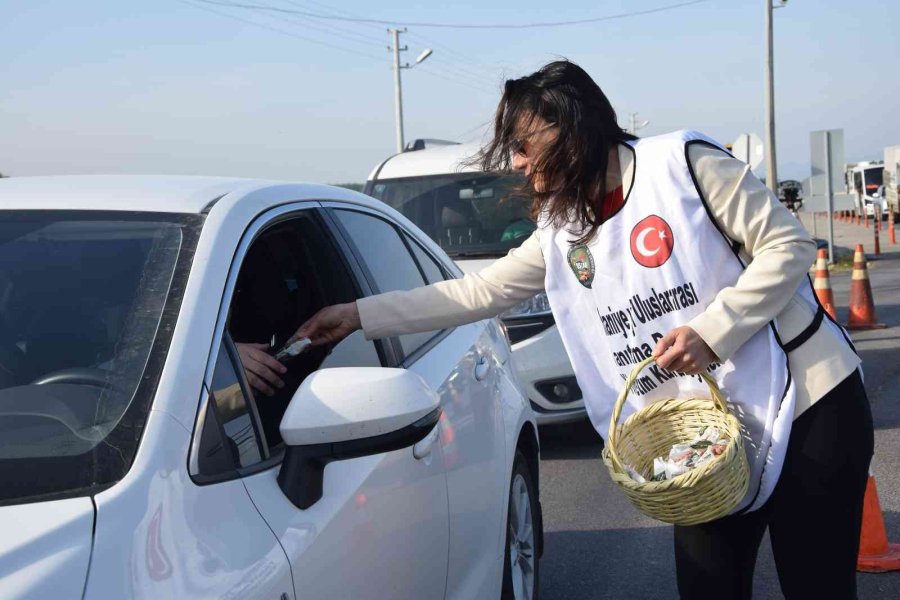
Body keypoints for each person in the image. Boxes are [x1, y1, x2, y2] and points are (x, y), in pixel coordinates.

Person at [289, 61, 873, 599]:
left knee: (816, 585)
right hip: (705, 439)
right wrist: (359, 315)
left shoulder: (684, 163)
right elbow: (478, 291)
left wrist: (712, 330)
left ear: (570, 130)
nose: (516, 162)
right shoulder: (562, 227)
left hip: (807, 405)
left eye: (522, 145)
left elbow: (788, 245)